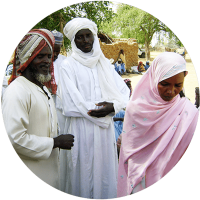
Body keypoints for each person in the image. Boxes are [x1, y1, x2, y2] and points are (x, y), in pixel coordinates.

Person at [59, 17, 130, 199]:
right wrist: (101, 112)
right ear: (73, 41)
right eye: (79, 37)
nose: (85, 41)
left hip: (104, 132)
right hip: (81, 130)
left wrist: (113, 107)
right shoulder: (68, 66)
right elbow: (70, 104)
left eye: (88, 35)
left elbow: (123, 92)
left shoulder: (104, 63)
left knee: (103, 173)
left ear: (94, 36)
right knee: (82, 173)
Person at [117, 52, 199, 197]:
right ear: (154, 78)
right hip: (140, 180)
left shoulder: (188, 112)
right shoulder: (136, 108)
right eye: (164, 84)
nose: (171, 91)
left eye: (178, 85)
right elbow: (130, 149)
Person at [2, 29, 74, 190]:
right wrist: (55, 142)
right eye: (40, 56)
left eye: (49, 56)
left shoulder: (43, 89)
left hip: (49, 174)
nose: (47, 61)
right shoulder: (17, 91)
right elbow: (14, 139)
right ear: (27, 58)